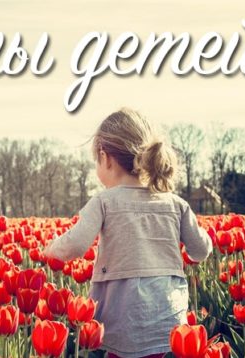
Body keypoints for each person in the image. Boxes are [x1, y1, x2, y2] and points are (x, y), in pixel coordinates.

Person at [43, 108, 213, 358]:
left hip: (122, 318)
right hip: (168, 316)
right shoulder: (175, 204)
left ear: (105, 157)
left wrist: (50, 248)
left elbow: (75, 246)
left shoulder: (104, 201)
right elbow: (201, 250)